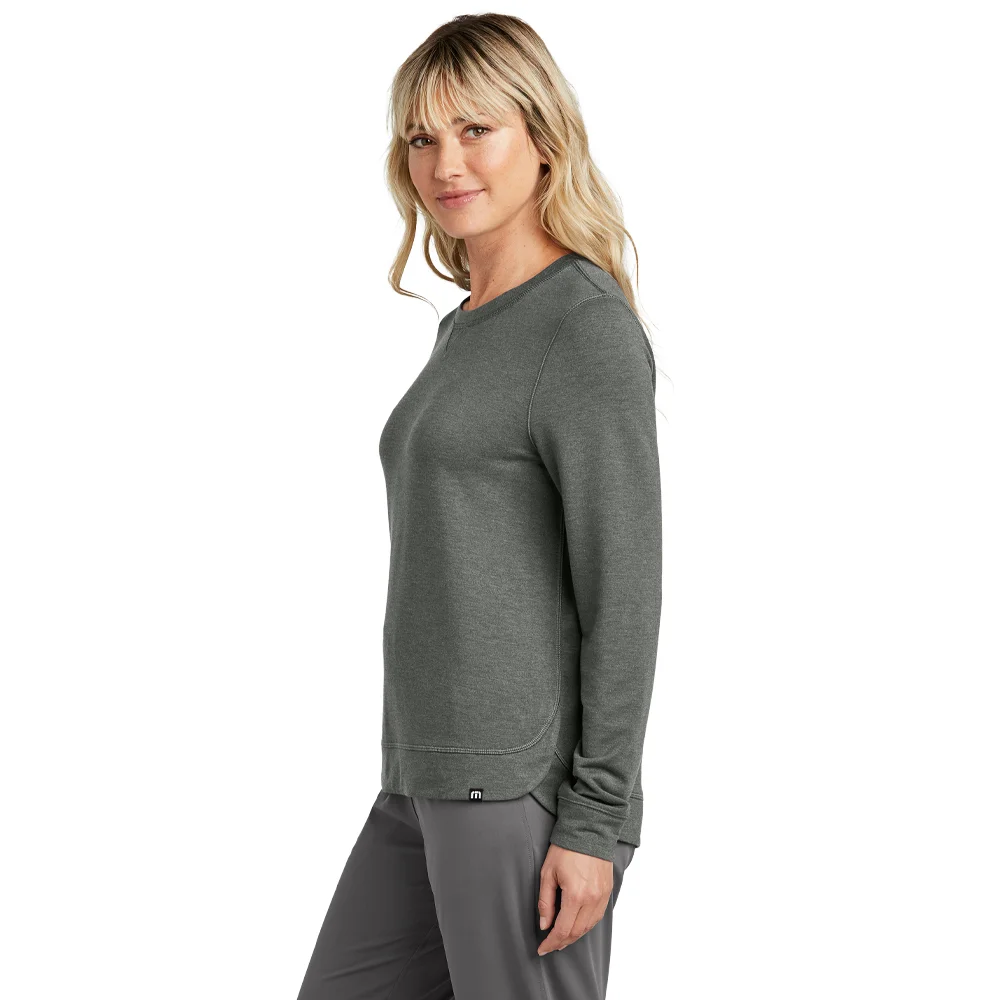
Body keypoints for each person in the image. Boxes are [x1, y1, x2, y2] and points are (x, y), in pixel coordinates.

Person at [296, 13, 662, 1000]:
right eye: (422, 137)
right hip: (421, 774)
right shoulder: (469, 324)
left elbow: (624, 593)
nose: (445, 163)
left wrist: (596, 821)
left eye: (475, 130)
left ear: (541, 138)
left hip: (513, 787)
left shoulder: (580, 328)